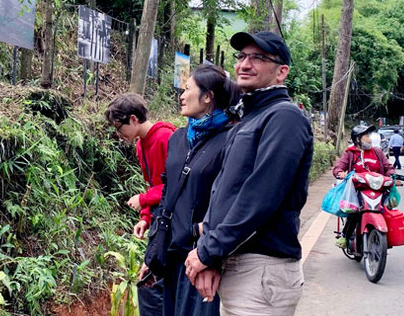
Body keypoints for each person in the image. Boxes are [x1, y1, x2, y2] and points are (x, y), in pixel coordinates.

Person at [184, 31, 313, 316]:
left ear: (282, 71)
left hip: (262, 270)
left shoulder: (284, 117)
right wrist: (212, 255)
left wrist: (208, 252)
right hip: (238, 264)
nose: (244, 64)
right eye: (242, 56)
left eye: (258, 58)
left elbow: (260, 197)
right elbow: (223, 193)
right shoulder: (247, 119)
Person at [159, 64, 237, 316]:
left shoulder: (231, 139)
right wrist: (155, 247)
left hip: (201, 257)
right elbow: (167, 192)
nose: (181, 96)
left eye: (187, 89)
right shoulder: (178, 138)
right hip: (172, 253)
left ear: (207, 97)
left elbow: (230, 201)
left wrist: (209, 255)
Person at [105, 93, 175, 316]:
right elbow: (154, 185)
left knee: (155, 285)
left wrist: (143, 200)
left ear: (133, 119)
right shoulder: (140, 145)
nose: (119, 134)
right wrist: (145, 217)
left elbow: (175, 186)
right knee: (150, 283)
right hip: (159, 219)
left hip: (174, 224)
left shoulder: (165, 137)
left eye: (119, 128)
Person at [332, 124, 395, 248]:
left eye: (369, 136)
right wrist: (340, 173)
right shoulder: (350, 153)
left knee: (386, 209)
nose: (370, 139)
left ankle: (385, 237)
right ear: (357, 139)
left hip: (378, 189)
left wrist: (392, 175)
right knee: (355, 211)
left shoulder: (377, 152)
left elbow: (388, 167)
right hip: (357, 190)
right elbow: (339, 167)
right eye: (366, 136)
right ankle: (345, 236)